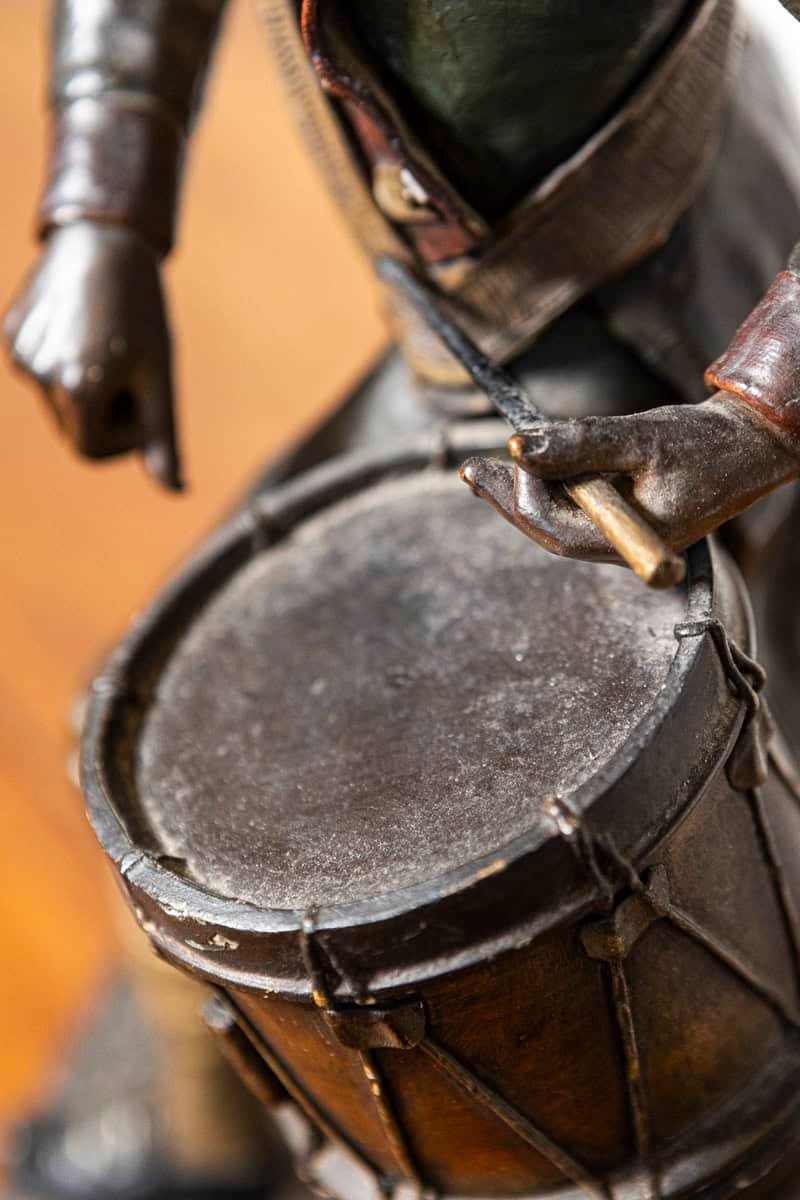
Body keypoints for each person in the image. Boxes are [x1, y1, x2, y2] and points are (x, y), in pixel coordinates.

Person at [5, 2, 800, 1197]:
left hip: (660, 363)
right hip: (468, 351)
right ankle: (210, 1113)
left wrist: (758, 407)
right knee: (164, 760)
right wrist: (100, 213)